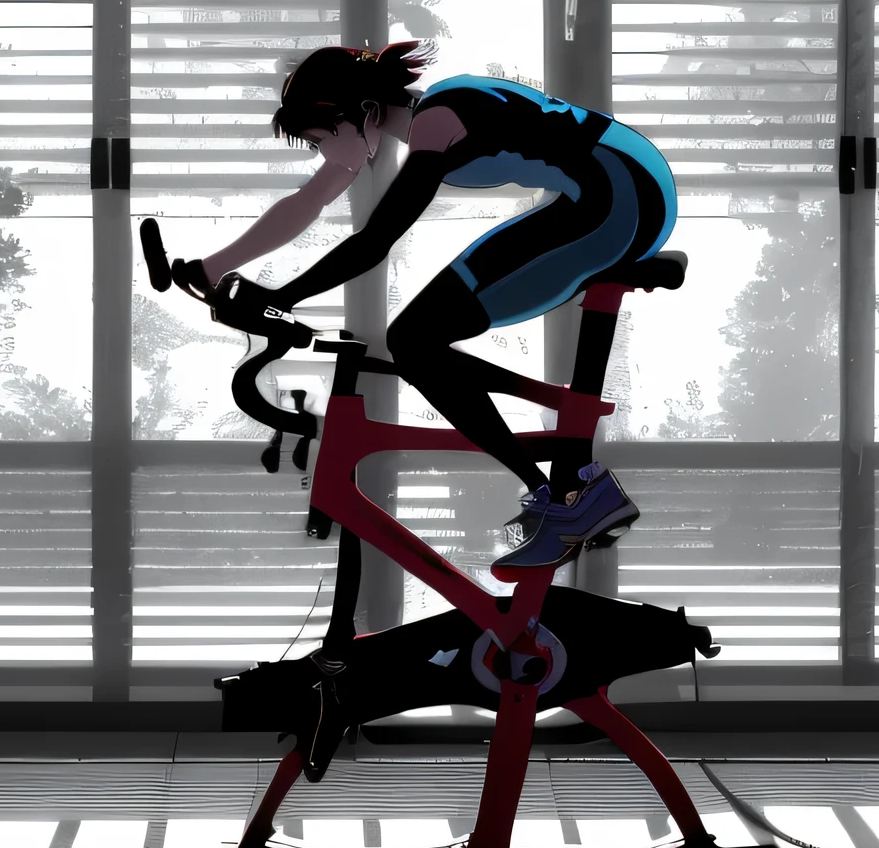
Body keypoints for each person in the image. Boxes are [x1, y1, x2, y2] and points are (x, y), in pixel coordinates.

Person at [176, 41, 676, 571]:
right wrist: (212, 268)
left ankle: (569, 499)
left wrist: (279, 297)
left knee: (414, 340)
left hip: (619, 201)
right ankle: (571, 480)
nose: (326, 153)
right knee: (417, 337)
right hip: (609, 188)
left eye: (324, 137)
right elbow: (311, 199)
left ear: (362, 112)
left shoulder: (437, 122)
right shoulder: (428, 111)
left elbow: (375, 241)